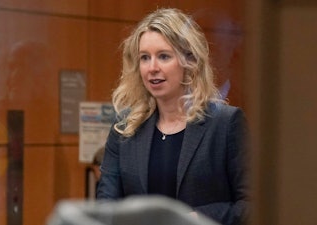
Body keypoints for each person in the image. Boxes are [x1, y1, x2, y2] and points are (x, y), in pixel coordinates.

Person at [97, 8, 249, 225]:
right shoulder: (125, 127)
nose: (152, 68)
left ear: (190, 61)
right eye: (144, 58)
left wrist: (195, 219)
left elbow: (250, 207)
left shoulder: (226, 124)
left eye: (164, 56)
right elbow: (106, 208)